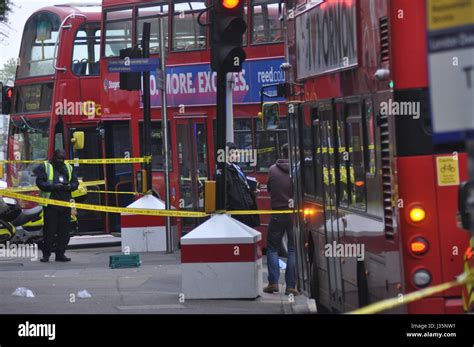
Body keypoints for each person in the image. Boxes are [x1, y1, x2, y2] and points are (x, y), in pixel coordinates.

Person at [263, 143, 299, 295]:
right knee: (292, 249)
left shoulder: (272, 170)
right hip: (293, 214)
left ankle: (273, 284)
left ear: (282, 153)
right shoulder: (297, 171)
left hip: (277, 214)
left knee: (272, 248)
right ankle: (291, 286)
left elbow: (269, 189)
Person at [34, 149, 79, 262]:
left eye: (63, 158)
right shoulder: (45, 166)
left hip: (65, 204)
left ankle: (60, 254)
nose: (61, 160)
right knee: (49, 231)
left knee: (64, 232)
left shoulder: (68, 167)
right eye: (59, 158)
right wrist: (53, 186)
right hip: (51, 204)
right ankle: (46, 255)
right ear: (54, 157)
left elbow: (75, 183)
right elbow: (40, 183)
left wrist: (69, 186)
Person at [225, 142, 260, 228]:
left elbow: (243, 187)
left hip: (246, 207)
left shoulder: (237, 167)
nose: (237, 156)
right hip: (238, 212)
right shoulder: (226, 170)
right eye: (235, 153)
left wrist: (252, 192)